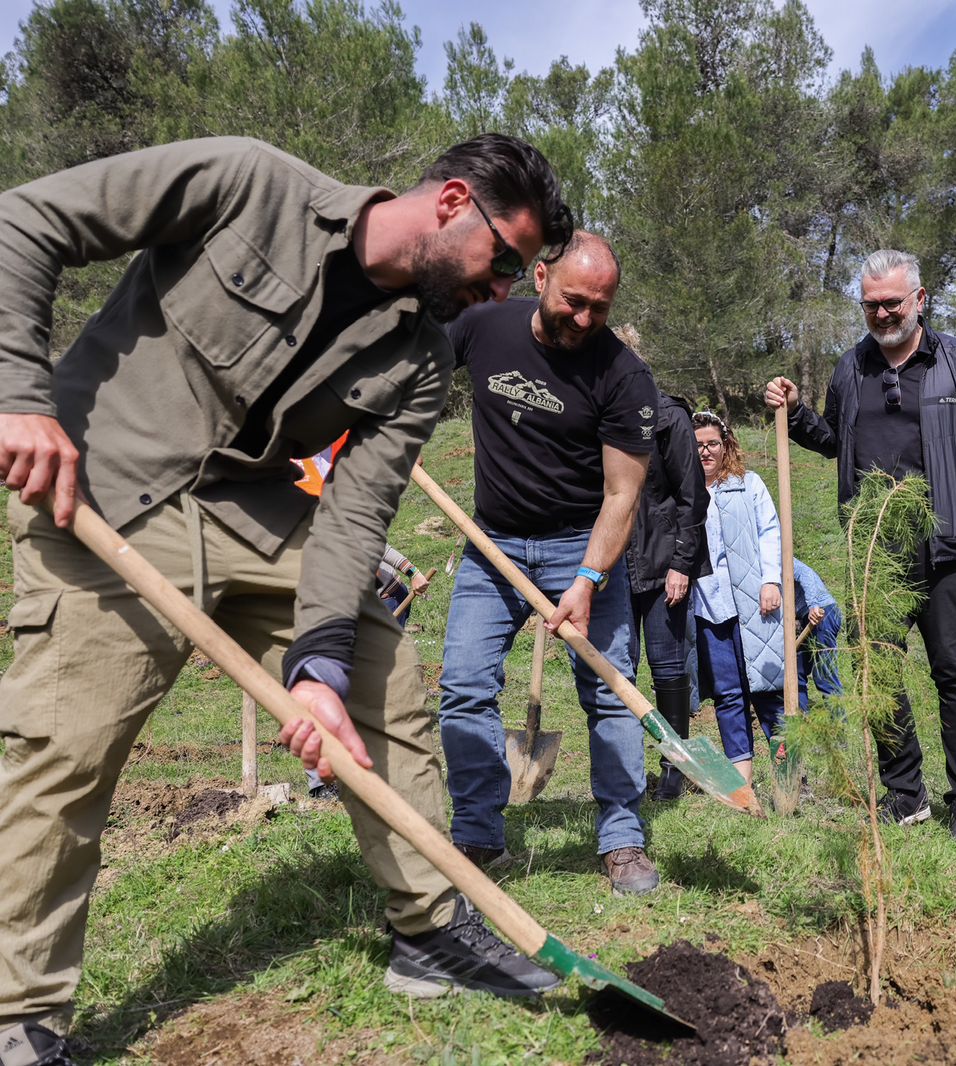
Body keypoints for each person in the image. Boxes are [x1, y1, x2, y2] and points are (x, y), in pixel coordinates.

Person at [0, 133, 576, 1061]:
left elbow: (354, 515)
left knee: (383, 669)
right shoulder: (248, 182)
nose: (504, 289)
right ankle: (19, 1021)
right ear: (451, 201)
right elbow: (23, 219)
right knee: (65, 747)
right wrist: (18, 394)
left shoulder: (423, 360)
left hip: (252, 509)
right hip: (107, 486)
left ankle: (428, 928)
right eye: (504, 258)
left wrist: (319, 664)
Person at [765, 249, 956, 842]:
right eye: (871, 305)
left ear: (919, 300)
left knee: (953, 670)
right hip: (874, 548)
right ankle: (905, 792)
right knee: (875, 667)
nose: (882, 314)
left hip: (950, 542)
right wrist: (797, 412)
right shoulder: (850, 368)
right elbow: (834, 440)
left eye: (892, 303)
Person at [437, 230, 661, 895]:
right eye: (574, 301)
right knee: (465, 685)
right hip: (494, 544)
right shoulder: (481, 326)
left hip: (580, 544)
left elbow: (623, 495)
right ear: (540, 277)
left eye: (601, 306)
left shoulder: (624, 376)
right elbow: (410, 374)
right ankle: (477, 832)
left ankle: (622, 839)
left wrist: (589, 579)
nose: (586, 319)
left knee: (612, 693)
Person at [292, 435, 433, 801]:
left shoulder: (337, 489)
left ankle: (379, 767)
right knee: (327, 686)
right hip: (332, 607)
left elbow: (375, 543)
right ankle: (323, 780)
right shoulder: (298, 502)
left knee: (381, 687)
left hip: (385, 599)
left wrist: (412, 572)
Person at [615, 326, 710, 802]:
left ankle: (676, 767)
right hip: (613, 562)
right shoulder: (599, 416)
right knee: (618, 666)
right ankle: (624, 770)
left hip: (661, 560)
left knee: (669, 665)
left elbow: (693, 497)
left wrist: (681, 564)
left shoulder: (669, 417)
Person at [690, 412, 804, 784]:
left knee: (768, 685)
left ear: (726, 445)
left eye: (711, 444)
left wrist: (772, 582)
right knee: (727, 692)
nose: (705, 451)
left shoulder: (748, 484)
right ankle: (741, 777)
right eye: (698, 445)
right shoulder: (685, 490)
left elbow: (771, 533)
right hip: (709, 605)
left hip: (755, 602)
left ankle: (788, 770)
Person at [792, 558, 843, 701]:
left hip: (820, 613)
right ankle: (802, 722)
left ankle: (840, 723)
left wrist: (813, 605)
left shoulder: (776, 554)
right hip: (806, 619)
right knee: (795, 673)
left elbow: (805, 573)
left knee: (825, 677)